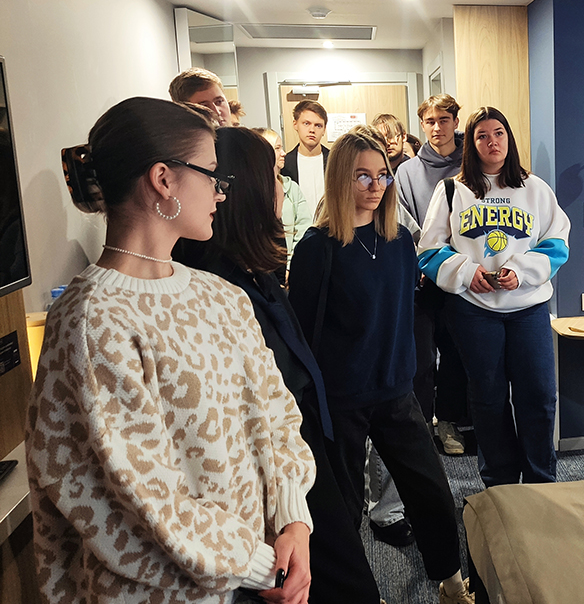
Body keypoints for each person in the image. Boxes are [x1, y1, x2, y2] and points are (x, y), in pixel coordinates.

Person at [28, 97, 315, 604]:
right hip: (164, 591)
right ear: (163, 179)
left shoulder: (219, 295)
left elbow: (275, 412)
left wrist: (294, 521)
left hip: (254, 568)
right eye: (211, 174)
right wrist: (261, 567)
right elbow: (138, 498)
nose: (221, 191)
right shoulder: (94, 319)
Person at [174, 126, 382, 604]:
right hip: (275, 470)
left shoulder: (255, 268)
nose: (281, 186)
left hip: (300, 451)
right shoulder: (216, 287)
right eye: (272, 175)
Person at [288, 126, 474, 604]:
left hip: (396, 392)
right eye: (362, 176)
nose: (375, 186)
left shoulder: (399, 242)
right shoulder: (317, 248)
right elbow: (303, 334)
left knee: (432, 493)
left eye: (382, 175)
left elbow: (404, 314)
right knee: (343, 511)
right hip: (341, 401)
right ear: (340, 179)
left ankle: (452, 584)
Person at [418, 106, 570, 487]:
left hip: (528, 309)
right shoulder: (452, 190)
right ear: (470, 143)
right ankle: (499, 485)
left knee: (539, 395)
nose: (492, 142)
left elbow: (557, 243)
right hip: (474, 311)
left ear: (509, 138)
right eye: (482, 136)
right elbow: (429, 250)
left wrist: (522, 270)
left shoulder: (535, 189)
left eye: (499, 133)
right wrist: (466, 272)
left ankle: (540, 481)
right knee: (488, 399)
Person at [395, 94, 470, 456]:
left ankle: (450, 422)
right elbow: (403, 225)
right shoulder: (407, 172)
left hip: (461, 278)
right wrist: (423, 265)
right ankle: (423, 424)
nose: (437, 128)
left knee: (456, 355)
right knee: (421, 359)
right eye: (430, 121)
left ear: (456, 121)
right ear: (422, 125)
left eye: (444, 120)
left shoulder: (471, 166)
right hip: (422, 281)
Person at [255, 126, 312, 272]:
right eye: (277, 148)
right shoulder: (251, 191)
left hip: (290, 267)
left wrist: (290, 266)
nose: (284, 153)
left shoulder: (291, 188)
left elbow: (303, 229)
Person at [281, 100, 329, 212]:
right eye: (306, 123)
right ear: (295, 124)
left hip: (331, 222)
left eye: (318, 125)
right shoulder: (285, 164)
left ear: (324, 130)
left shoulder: (336, 160)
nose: (312, 130)